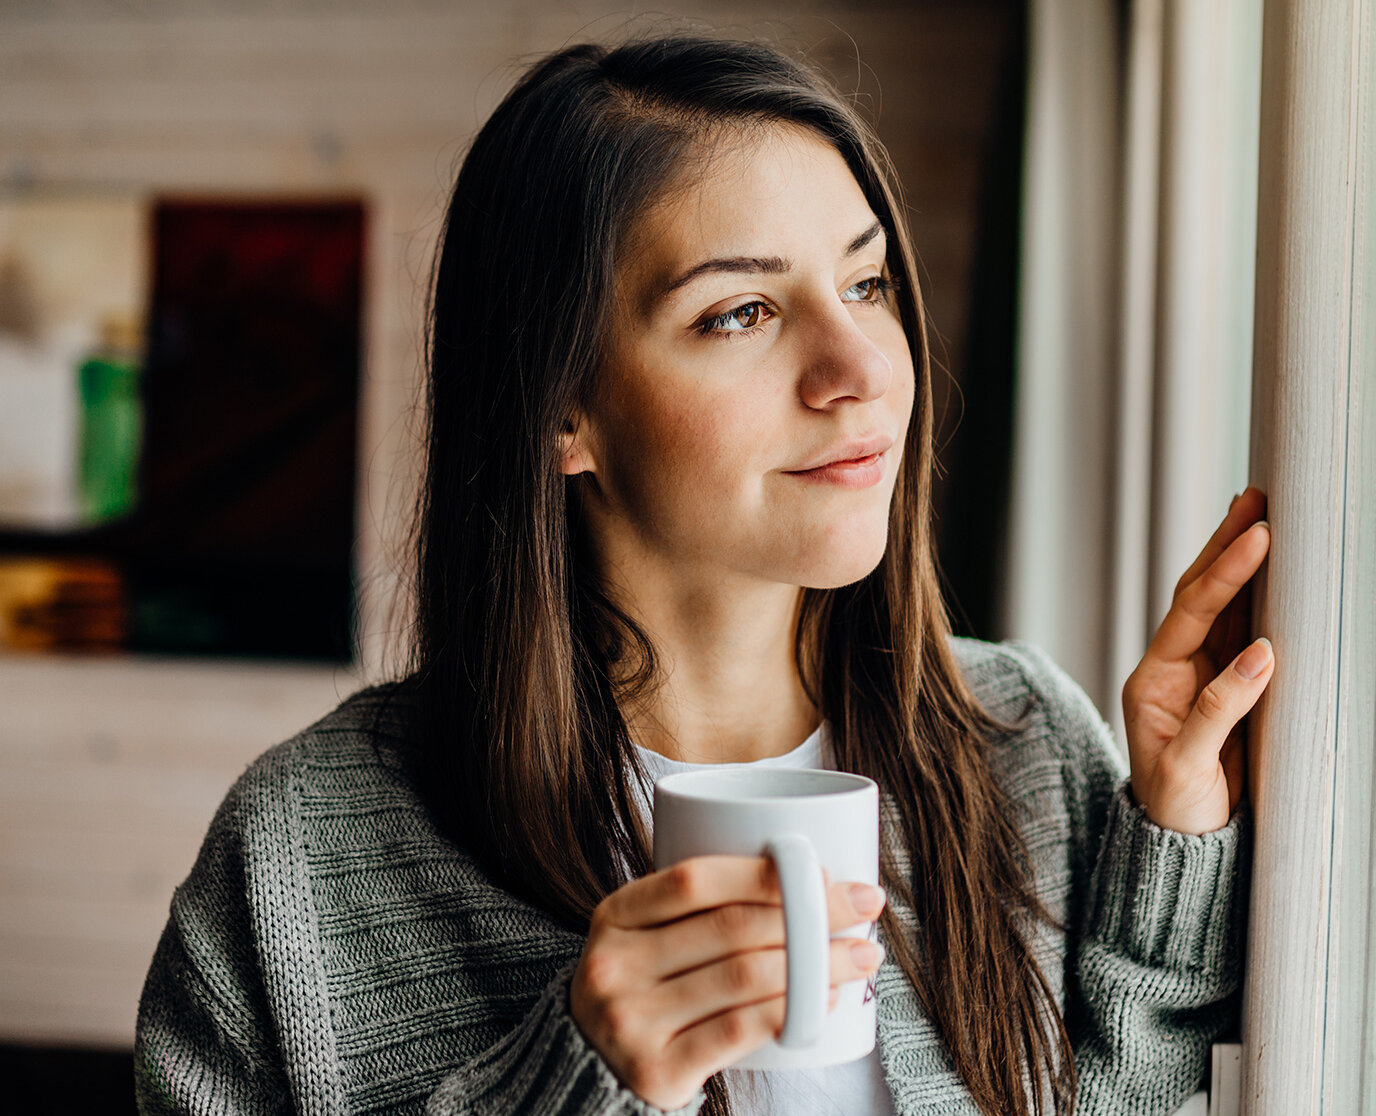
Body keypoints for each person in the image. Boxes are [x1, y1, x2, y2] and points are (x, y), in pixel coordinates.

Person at [134, 36, 1267, 1116]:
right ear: (559, 410)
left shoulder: (1022, 741)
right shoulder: (302, 854)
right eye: (740, 312)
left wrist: (1168, 833)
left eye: (866, 285)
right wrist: (578, 1075)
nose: (860, 368)